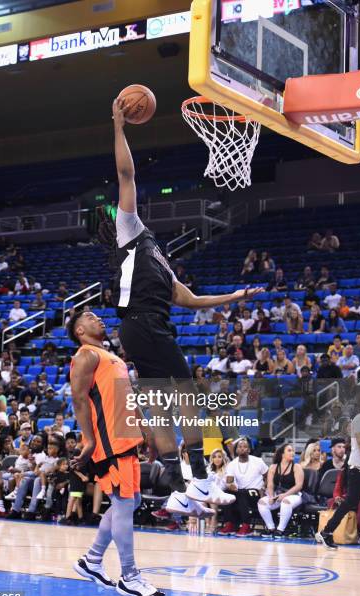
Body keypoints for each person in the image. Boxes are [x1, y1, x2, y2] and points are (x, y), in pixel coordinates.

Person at [97, 98, 263, 520]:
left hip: (140, 330)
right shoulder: (129, 229)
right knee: (186, 394)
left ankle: (177, 487)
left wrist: (236, 298)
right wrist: (119, 127)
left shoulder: (161, 260)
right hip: (146, 326)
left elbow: (191, 299)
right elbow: (126, 174)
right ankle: (203, 479)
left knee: (160, 402)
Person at [68, 308, 165, 596]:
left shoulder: (114, 358)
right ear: (79, 331)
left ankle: (92, 560)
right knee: (124, 503)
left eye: (96, 314)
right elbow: (78, 398)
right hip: (109, 441)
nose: (97, 318)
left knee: (131, 500)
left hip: (126, 437)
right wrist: (87, 439)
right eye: (88, 317)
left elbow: (127, 397)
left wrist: (145, 430)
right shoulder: (86, 355)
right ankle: (130, 576)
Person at [316, 400, 360, 549]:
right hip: (358, 469)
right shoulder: (359, 419)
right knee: (350, 502)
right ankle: (326, 532)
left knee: (351, 502)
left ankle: (327, 532)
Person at [220, 438, 268, 536]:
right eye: (240, 447)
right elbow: (229, 481)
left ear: (249, 450)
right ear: (236, 450)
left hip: (255, 492)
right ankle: (230, 524)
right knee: (226, 493)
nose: (242, 449)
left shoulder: (258, 461)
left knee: (242, 493)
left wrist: (264, 487)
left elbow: (268, 475)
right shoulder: (232, 464)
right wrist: (230, 486)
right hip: (240, 492)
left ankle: (246, 526)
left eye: (245, 447)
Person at [258, 443, 304, 538]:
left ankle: (280, 530)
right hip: (278, 494)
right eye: (289, 450)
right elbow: (270, 485)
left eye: (293, 451)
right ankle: (271, 528)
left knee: (285, 501)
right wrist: (271, 497)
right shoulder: (273, 467)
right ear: (282, 454)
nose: (293, 453)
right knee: (262, 502)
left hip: (294, 495)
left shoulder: (296, 467)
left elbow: (299, 486)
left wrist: (285, 495)